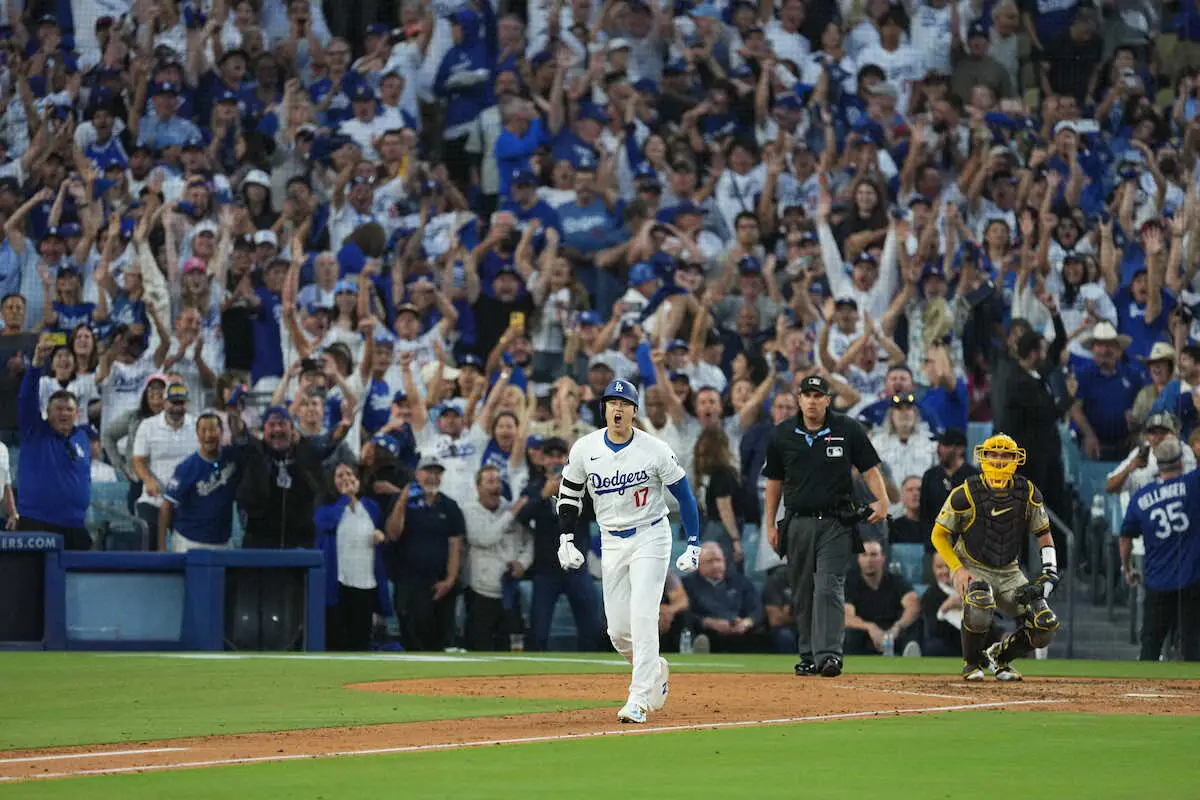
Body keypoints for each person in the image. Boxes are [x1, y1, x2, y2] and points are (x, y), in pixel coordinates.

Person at [555, 379, 702, 724]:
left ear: (635, 412)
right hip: (612, 540)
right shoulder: (585, 448)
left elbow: (685, 496)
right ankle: (654, 669)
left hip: (651, 535)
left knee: (642, 615)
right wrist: (565, 539)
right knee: (618, 631)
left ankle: (638, 699)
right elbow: (569, 494)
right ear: (603, 408)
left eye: (624, 403)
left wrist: (693, 542)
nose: (617, 409)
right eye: (611, 403)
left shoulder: (655, 449)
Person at [763, 374, 890, 678]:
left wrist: (883, 500)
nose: (812, 401)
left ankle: (830, 654)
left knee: (828, 587)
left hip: (836, 522)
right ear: (799, 399)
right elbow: (774, 483)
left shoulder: (847, 428)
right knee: (803, 591)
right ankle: (808, 654)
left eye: (818, 396)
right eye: (807, 395)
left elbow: (870, 468)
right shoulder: (782, 434)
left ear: (827, 400)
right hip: (798, 522)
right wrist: (769, 523)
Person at [930, 433, 1061, 681]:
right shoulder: (965, 493)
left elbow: (1043, 534)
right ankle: (972, 663)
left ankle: (999, 657)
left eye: (1005, 455)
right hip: (972, 565)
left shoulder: (1028, 492)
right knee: (979, 603)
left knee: (1045, 625)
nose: (999, 460)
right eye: (994, 454)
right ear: (983, 457)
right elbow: (938, 535)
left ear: (1015, 459)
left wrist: (1050, 572)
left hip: (1010, 570)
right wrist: (957, 569)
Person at [1119, 438, 1200, 661]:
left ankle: (1143, 693)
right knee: (1193, 646)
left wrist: (1127, 568)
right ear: (1182, 462)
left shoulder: (1141, 497)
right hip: (1191, 581)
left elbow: (1125, 537)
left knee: (1151, 646)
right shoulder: (1193, 484)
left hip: (1157, 582)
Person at [520, 436, 600, 651]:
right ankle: (534, 679)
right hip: (546, 570)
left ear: (566, 459)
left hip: (577, 568)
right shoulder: (533, 486)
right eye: (550, 456)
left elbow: (596, 513)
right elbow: (521, 516)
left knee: (591, 629)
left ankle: (593, 677)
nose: (555, 460)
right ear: (543, 459)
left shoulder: (580, 485)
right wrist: (543, 495)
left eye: (560, 455)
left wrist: (571, 495)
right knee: (538, 631)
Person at [15, 335, 92, 549]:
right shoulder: (35, 430)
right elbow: (26, 398)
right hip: (36, 524)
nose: (64, 413)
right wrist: (37, 362)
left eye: (69, 409)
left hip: (75, 527)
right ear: (47, 413)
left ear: (77, 413)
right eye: (58, 409)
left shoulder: (82, 437)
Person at [383, 455, 465, 652]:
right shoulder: (401, 501)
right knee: (412, 638)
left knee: (438, 640)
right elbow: (393, 534)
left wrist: (450, 579)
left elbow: (456, 545)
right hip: (408, 583)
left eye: (437, 473)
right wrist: (402, 500)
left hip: (438, 584)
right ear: (417, 474)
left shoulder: (449, 506)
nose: (433, 477)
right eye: (429, 472)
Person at [314, 463, 391, 652]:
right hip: (338, 582)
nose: (346, 478)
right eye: (340, 475)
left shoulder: (371, 507)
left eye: (350, 474)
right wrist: (344, 498)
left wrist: (380, 535)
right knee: (337, 638)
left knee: (361, 638)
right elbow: (326, 523)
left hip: (365, 581)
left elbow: (379, 531)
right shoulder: (325, 507)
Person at [462, 465, 533, 652]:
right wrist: (511, 514)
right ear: (477, 487)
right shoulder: (469, 510)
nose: (496, 487)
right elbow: (485, 538)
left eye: (498, 481)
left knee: (511, 648)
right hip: (481, 593)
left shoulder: (510, 508)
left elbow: (530, 542)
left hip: (510, 591)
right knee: (480, 647)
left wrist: (523, 563)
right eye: (490, 482)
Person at [236, 406, 327, 548]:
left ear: (292, 429)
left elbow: (332, 441)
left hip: (299, 547)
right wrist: (233, 413)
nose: (277, 429)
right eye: (272, 425)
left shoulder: (306, 452)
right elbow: (239, 433)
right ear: (263, 430)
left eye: (282, 424)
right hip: (259, 548)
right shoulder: (253, 453)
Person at [159, 413, 244, 552]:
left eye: (212, 429)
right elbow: (166, 507)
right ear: (197, 435)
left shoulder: (232, 457)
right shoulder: (186, 468)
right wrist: (162, 548)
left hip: (223, 542)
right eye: (203, 430)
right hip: (189, 542)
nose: (208, 435)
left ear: (221, 432)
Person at [131, 383, 197, 549]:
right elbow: (138, 460)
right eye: (173, 403)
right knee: (149, 534)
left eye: (181, 403)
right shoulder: (148, 426)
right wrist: (148, 480)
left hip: (187, 500)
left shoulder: (196, 425)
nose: (177, 407)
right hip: (154, 498)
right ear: (165, 402)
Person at [683, 542, 768, 653]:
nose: (716, 565)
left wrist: (746, 623)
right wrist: (708, 622)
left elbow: (757, 609)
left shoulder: (741, 582)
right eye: (710, 561)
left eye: (718, 560)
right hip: (706, 632)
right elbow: (685, 613)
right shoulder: (688, 584)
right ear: (698, 564)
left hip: (741, 634)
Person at [843, 539, 921, 655]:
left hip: (893, 632)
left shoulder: (895, 580)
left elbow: (913, 605)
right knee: (850, 633)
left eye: (874, 555)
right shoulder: (850, 583)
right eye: (864, 555)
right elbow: (847, 617)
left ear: (883, 558)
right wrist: (870, 627)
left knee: (915, 624)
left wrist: (897, 627)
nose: (869, 560)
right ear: (859, 559)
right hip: (865, 634)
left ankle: (909, 655)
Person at [1106, 412, 1196, 497]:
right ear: (1146, 436)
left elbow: (1190, 484)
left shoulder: (1183, 450)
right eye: (1153, 432)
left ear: (1173, 434)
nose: (1158, 437)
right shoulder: (1141, 452)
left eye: (1163, 432)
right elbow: (1110, 487)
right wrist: (1130, 468)